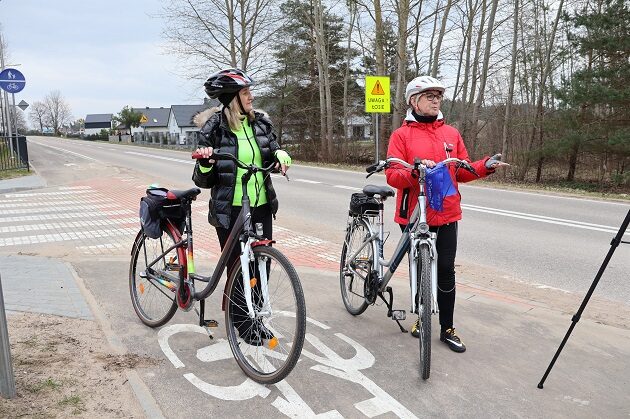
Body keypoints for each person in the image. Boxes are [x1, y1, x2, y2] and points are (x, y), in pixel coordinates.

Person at [385, 75, 507, 353]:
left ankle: (447, 328)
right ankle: (422, 318)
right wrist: (414, 172)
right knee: (420, 266)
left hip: (447, 212)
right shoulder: (401, 135)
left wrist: (485, 165)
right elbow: (392, 175)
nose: (436, 99)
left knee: (445, 270)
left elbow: (461, 171)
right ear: (414, 101)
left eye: (439, 95)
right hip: (416, 213)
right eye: (430, 95)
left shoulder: (451, 134)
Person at [192, 68, 292, 345]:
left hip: (260, 204)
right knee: (239, 268)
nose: (251, 97)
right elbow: (202, 179)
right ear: (232, 98)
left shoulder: (260, 124)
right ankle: (244, 325)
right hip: (231, 209)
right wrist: (205, 160)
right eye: (246, 92)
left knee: (261, 265)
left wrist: (282, 154)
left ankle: (256, 317)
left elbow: (273, 148)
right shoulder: (213, 129)